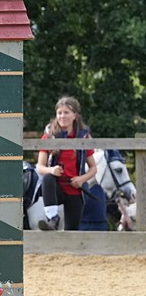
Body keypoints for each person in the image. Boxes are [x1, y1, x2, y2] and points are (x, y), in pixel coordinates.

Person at [35, 95, 97, 231]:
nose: (62, 116)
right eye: (59, 113)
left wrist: (82, 179)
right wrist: (52, 170)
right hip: (56, 187)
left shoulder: (83, 137)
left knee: (72, 231)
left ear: (74, 115)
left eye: (66, 112)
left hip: (75, 188)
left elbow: (93, 168)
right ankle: (52, 218)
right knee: (47, 178)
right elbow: (39, 167)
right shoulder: (49, 136)